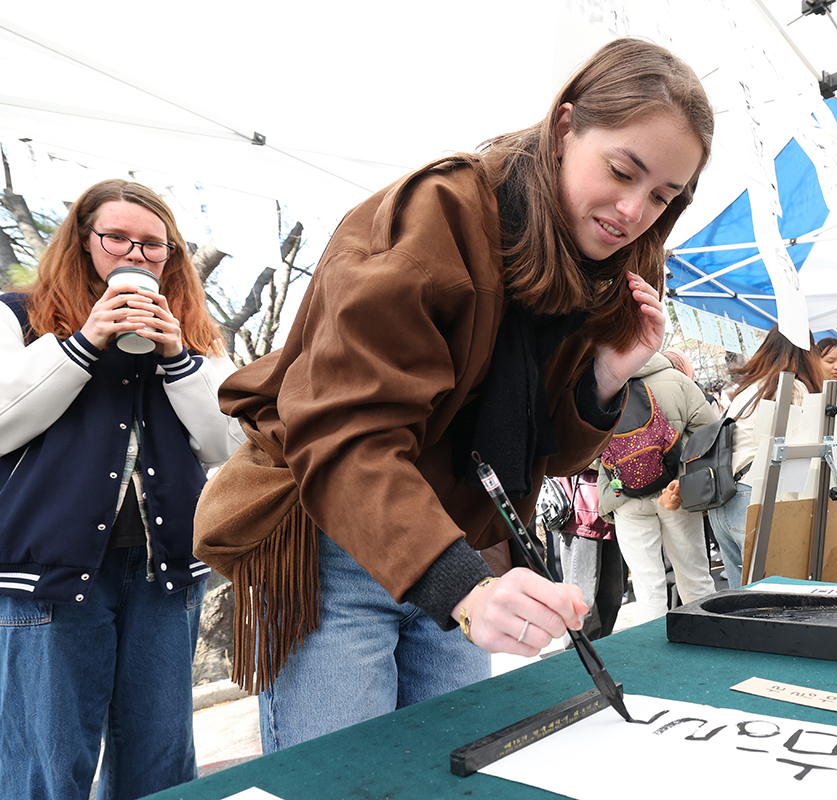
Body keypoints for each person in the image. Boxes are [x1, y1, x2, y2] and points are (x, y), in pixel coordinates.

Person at [191, 38, 714, 752]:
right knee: (347, 778)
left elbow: (540, 455)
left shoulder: (590, 269)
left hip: (459, 547)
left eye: (663, 197)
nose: (633, 210)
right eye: (623, 171)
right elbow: (343, 430)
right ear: (564, 128)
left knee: (451, 767)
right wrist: (463, 587)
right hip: (338, 542)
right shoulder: (436, 213)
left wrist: (605, 377)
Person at [0, 179, 243, 799]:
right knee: (47, 765)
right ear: (83, 243)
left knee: (158, 764)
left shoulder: (190, 335)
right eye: (116, 239)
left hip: (166, 571)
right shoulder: (15, 315)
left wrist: (179, 358)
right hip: (50, 572)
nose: (134, 255)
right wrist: (83, 343)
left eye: (153, 246)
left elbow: (231, 446)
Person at [664, 325, 823, 589]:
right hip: (761, 499)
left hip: (724, 501)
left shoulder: (749, 390)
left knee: (744, 603)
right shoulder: (793, 390)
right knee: (778, 601)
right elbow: (808, 456)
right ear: (807, 354)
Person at [598, 349, 717, 623]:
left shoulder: (601, 386)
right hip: (676, 493)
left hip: (624, 498)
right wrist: (681, 478)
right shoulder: (677, 380)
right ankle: (709, 641)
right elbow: (709, 433)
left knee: (647, 585)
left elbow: (587, 450)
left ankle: (657, 658)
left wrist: (618, 469)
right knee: (695, 576)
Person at [549, 462, 624, 642]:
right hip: (581, 511)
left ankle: (602, 650)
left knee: (612, 597)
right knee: (583, 602)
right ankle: (577, 656)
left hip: (611, 509)